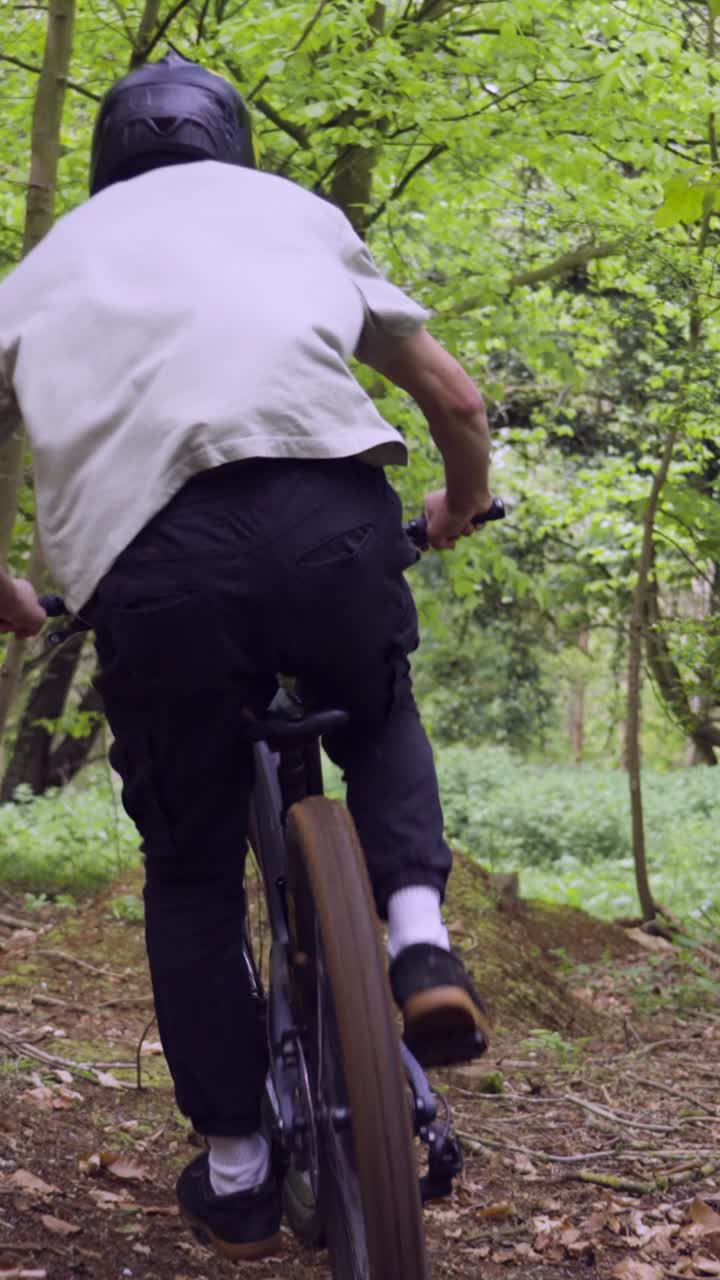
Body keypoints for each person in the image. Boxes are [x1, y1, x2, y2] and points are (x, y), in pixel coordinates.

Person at [0, 52, 495, 1261]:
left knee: (190, 866)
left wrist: (9, 587)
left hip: (153, 570)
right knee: (374, 711)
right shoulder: (298, 218)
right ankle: (420, 936)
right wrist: (459, 502)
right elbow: (457, 400)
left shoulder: (37, 274)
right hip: (328, 528)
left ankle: (234, 1161)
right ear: (228, 144)